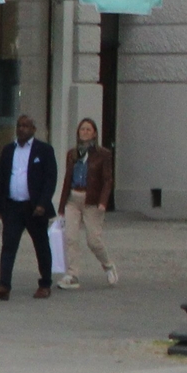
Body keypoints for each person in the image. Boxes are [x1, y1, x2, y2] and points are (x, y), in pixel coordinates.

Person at [0, 113, 58, 301]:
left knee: (41, 246)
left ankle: (45, 283)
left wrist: (43, 204)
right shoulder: (8, 150)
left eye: (26, 126)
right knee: (8, 246)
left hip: (34, 207)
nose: (21, 129)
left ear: (33, 130)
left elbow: (50, 179)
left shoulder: (43, 150)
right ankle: (4, 285)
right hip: (12, 206)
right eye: (19, 126)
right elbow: (1, 179)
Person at [55, 117, 118, 288]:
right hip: (73, 199)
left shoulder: (103, 154)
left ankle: (108, 265)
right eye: (82, 129)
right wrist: (61, 207)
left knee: (93, 240)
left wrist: (103, 201)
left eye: (88, 129)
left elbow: (107, 180)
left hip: (92, 200)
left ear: (94, 133)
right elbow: (67, 180)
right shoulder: (72, 154)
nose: (85, 132)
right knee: (71, 237)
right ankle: (72, 274)